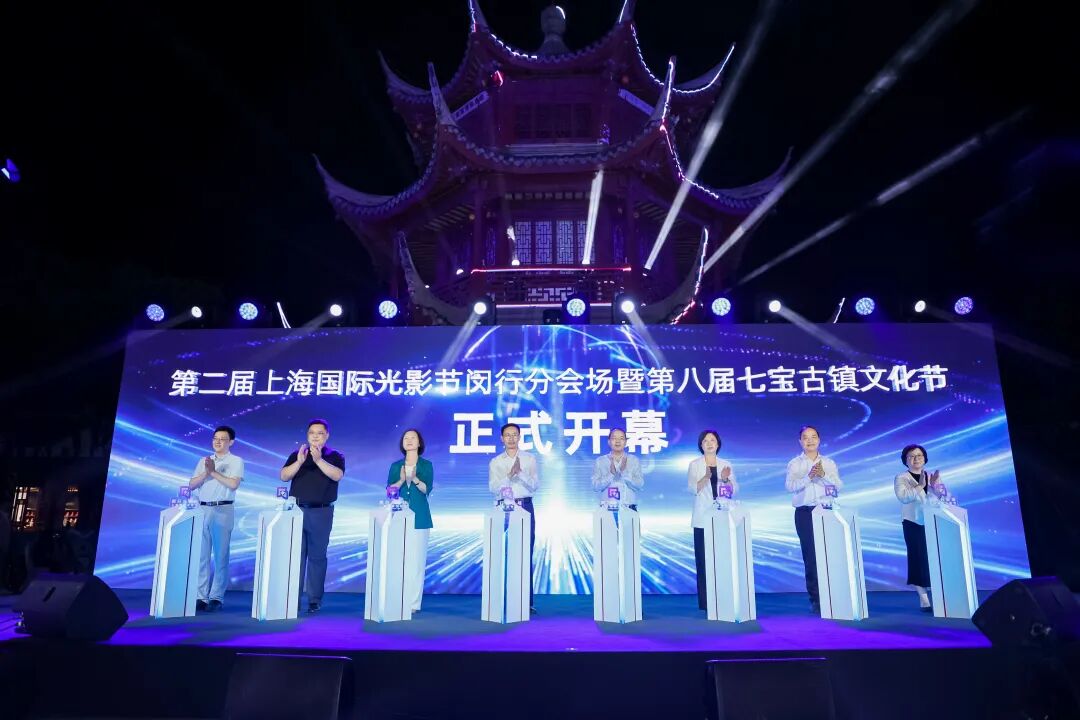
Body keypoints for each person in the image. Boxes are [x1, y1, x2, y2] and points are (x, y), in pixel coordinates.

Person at [280, 419, 345, 613]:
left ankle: (314, 599)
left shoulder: (335, 456)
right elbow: (284, 476)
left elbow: (337, 475)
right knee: (295, 556)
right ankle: (293, 599)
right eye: (312, 433)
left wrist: (318, 460)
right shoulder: (297, 454)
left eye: (320, 433)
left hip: (321, 512)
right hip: (296, 511)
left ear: (327, 436)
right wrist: (300, 462)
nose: (315, 436)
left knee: (317, 557)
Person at [785, 424, 842, 614]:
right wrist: (809, 477)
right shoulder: (795, 464)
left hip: (827, 511)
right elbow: (790, 486)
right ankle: (816, 598)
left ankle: (834, 595)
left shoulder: (828, 463)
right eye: (806, 437)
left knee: (829, 554)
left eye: (813, 437)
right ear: (800, 441)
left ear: (819, 440)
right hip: (805, 513)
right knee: (811, 557)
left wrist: (823, 475)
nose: (810, 440)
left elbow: (838, 486)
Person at [188, 425, 244, 612]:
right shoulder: (204, 460)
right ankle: (201, 596)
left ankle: (216, 597)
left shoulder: (236, 461)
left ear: (231, 442)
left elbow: (233, 484)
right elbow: (191, 484)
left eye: (222, 439)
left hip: (223, 509)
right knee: (202, 556)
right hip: (202, 508)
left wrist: (213, 472)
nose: (218, 442)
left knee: (221, 555)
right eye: (215, 438)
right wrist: (206, 471)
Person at [488, 422, 540, 613]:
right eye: (507, 435)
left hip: (524, 505)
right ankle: (501, 600)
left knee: (525, 554)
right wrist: (509, 476)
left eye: (514, 435)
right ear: (502, 438)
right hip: (503, 507)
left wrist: (521, 474)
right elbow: (493, 488)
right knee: (501, 553)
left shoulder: (529, 459)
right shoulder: (495, 462)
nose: (511, 438)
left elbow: (535, 485)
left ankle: (526, 602)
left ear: (519, 437)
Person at [687, 429, 737, 610]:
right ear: (701, 445)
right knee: (703, 560)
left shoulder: (726, 464)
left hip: (722, 517)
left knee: (722, 559)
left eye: (712, 440)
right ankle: (706, 601)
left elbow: (733, 490)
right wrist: (706, 477)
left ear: (718, 444)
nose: (709, 443)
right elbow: (693, 489)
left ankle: (723, 598)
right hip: (702, 518)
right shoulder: (695, 465)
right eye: (705, 441)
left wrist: (725, 480)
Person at [386, 429, 433, 614]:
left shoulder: (426, 465)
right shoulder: (395, 465)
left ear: (419, 443)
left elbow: (427, 489)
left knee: (416, 561)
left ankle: (413, 603)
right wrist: (400, 481)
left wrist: (414, 479)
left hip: (419, 517)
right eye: (406, 438)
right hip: (397, 517)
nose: (409, 440)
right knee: (398, 559)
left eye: (413, 438)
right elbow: (389, 491)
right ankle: (397, 598)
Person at [894, 443, 940, 611]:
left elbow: (938, 500)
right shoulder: (901, 478)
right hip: (912, 523)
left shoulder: (931, 476)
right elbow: (903, 497)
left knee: (933, 559)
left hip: (931, 522)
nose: (916, 459)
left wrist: (934, 488)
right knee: (917, 559)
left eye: (919, 455)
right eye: (911, 456)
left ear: (925, 458)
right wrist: (919, 486)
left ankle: (939, 595)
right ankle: (924, 599)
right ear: (905, 460)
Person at [591, 428, 644, 510]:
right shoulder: (600, 461)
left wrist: (624, 473)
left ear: (626, 442)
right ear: (609, 441)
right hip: (607, 508)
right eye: (614, 438)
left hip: (629, 507)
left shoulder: (633, 460)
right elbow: (595, 486)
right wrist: (611, 474)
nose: (618, 441)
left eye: (621, 438)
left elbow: (639, 485)